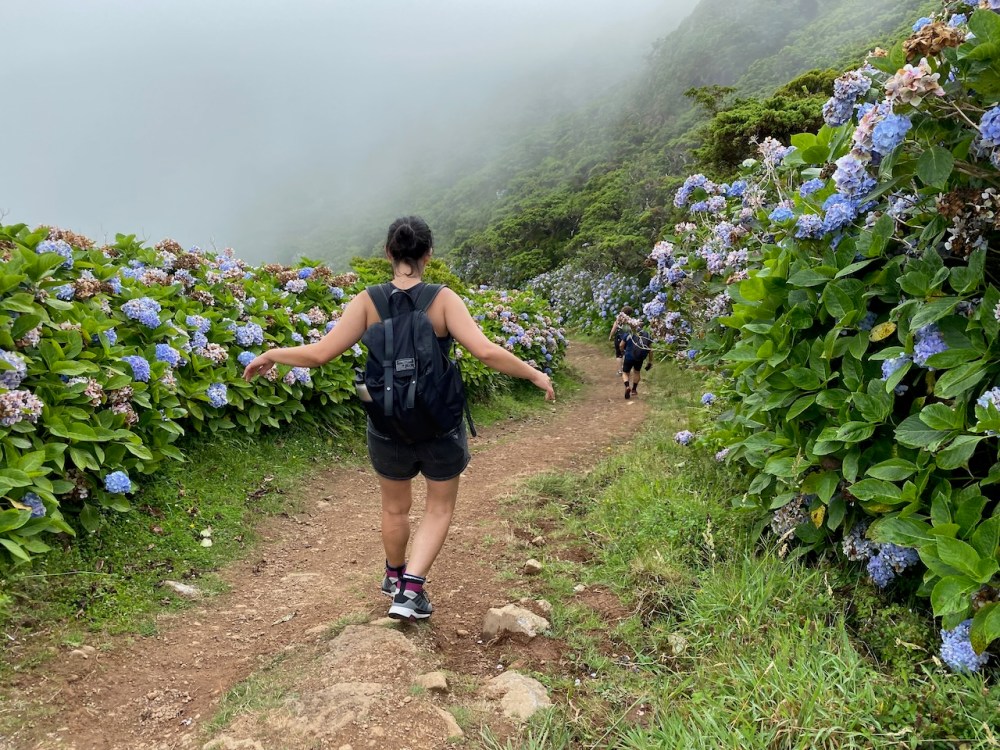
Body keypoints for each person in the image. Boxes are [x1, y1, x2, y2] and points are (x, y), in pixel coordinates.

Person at [243, 216, 555, 621]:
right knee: (438, 508)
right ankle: (410, 592)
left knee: (395, 508)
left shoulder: (367, 300)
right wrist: (534, 373)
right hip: (439, 422)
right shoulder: (443, 299)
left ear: (389, 253)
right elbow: (486, 351)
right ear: (428, 254)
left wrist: (271, 354)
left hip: (387, 422)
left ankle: (394, 577)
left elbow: (320, 354)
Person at [621, 323, 653, 400]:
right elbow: (650, 350)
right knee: (637, 372)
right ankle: (634, 390)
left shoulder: (629, 333)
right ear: (643, 327)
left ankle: (627, 386)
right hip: (639, 357)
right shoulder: (647, 335)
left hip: (628, 356)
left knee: (625, 372)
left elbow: (621, 345)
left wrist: (623, 352)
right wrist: (650, 361)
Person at [608, 306, 635, 375]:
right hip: (628, 338)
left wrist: (610, 336)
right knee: (627, 353)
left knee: (619, 354)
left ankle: (620, 371)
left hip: (619, 338)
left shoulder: (618, 321)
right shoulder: (631, 321)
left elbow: (613, 329)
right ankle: (627, 369)